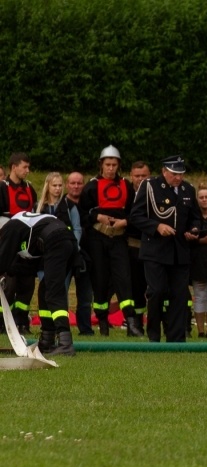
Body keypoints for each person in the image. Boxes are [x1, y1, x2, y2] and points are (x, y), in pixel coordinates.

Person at [130, 155, 203, 343]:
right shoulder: (150, 186)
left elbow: (196, 218)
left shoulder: (188, 189)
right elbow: (136, 216)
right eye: (174, 174)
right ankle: (153, 335)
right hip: (155, 249)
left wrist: (194, 230)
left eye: (181, 174)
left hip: (180, 251)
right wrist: (156, 227)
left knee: (180, 295)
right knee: (156, 291)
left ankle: (176, 338)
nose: (178, 178)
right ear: (164, 172)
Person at [79, 145, 143, 337]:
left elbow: (135, 213)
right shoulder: (91, 186)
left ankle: (132, 324)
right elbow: (82, 215)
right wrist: (97, 218)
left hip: (119, 239)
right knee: (100, 281)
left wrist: (126, 221)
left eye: (114, 164)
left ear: (119, 165)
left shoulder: (126, 186)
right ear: (101, 165)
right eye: (107, 164)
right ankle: (103, 324)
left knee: (124, 279)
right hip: (97, 239)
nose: (111, 168)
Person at [0, 212, 79, 356]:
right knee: (45, 290)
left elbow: (2, 261)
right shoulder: (25, 229)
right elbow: (28, 268)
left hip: (56, 240)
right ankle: (47, 340)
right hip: (67, 240)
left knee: (53, 293)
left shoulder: (10, 228)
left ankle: (65, 342)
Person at [0, 152, 38, 336]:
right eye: (24, 167)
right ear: (13, 167)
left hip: (26, 246)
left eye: (28, 167)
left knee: (27, 285)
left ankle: (22, 322)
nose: (27, 171)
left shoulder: (30, 188)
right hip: (8, 244)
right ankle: (2, 323)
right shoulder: (2, 188)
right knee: (8, 286)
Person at [55, 171, 94, 336]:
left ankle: (85, 329)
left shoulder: (89, 203)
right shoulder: (60, 205)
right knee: (61, 291)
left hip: (86, 255)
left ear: (83, 184)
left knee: (85, 296)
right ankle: (61, 328)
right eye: (72, 183)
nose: (76, 186)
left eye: (79, 183)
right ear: (67, 184)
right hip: (65, 256)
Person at [126, 161, 151, 332]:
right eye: (137, 176)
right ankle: (135, 324)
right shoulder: (125, 193)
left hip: (153, 246)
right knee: (136, 287)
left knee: (156, 287)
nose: (140, 179)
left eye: (144, 176)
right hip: (132, 246)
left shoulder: (155, 192)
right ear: (131, 176)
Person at [190, 185, 207, 338]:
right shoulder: (193, 217)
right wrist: (201, 241)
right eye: (201, 197)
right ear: (197, 200)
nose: (204, 200)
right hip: (197, 261)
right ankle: (200, 331)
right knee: (199, 296)